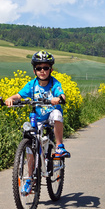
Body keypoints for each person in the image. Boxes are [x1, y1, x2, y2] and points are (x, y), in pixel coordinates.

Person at [5, 50, 70, 195]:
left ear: (51, 70)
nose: (42, 71)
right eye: (39, 68)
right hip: (38, 118)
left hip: (51, 115)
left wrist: (59, 99)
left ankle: (59, 146)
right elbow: (19, 95)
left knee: (57, 114)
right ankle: (30, 178)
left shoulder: (54, 83)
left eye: (46, 68)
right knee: (30, 143)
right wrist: (11, 98)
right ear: (34, 70)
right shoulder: (32, 85)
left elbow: (61, 94)